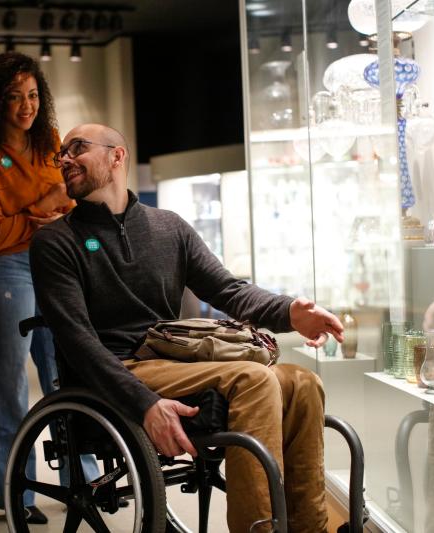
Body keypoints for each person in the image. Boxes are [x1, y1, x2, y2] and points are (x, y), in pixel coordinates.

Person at [29, 123, 345, 533]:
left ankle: (310, 528)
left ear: (116, 156)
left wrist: (290, 313)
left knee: (302, 383)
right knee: (254, 379)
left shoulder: (169, 227)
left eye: (77, 148)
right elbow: (77, 341)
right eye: (61, 155)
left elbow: (228, 290)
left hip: (175, 358)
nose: (65, 159)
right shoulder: (55, 242)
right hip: (122, 367)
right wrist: (143, 404)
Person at [0, 51, 76, 524]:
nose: (26, 106)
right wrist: (42, 206)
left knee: (62, 372)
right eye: (13, 97)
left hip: (54, 264)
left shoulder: (49, 140)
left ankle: (80, 480)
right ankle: (15, 493)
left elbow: (71, 195)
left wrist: (53, 207)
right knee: (9, 381)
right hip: (3, 272)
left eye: (32, 96)